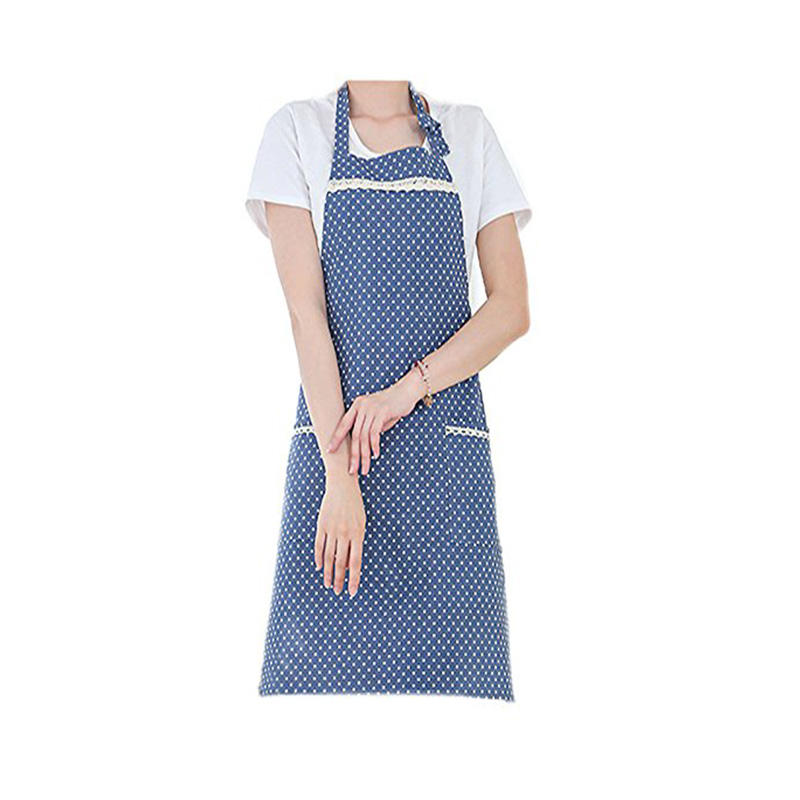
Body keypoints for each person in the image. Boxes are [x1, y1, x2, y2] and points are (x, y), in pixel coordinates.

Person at [246, 80, 531, 700]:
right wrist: (340, 480)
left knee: (459, 699)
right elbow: (306, 316)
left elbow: (511, 309)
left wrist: (406, 391)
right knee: (315, 697)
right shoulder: (297, 130)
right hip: (337, 468)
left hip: (445, 481)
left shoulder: (470, 132)